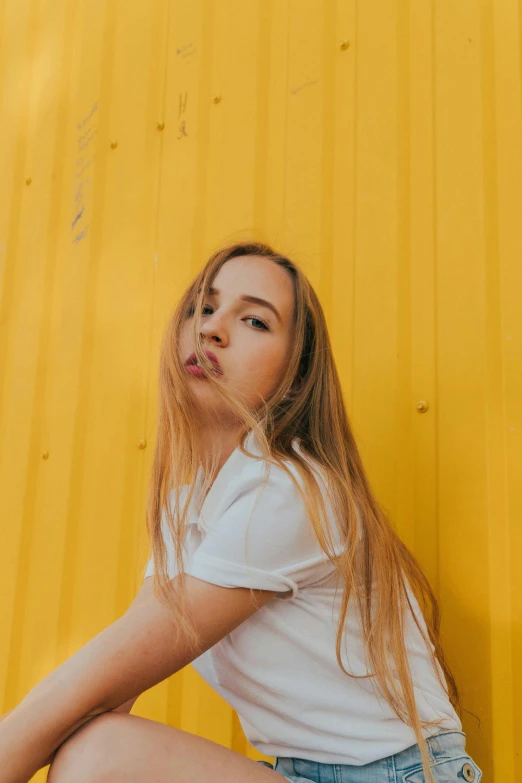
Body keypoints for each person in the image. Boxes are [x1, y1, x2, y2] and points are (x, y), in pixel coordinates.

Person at [0, 241, 482, 783]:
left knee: (100, 755)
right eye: (202, 309)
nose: (212, 329)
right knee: (99, 750)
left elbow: (95, 685)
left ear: (296, 376)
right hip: (299, 773)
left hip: (402, 775)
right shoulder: (188, 505)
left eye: (254, 320)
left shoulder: (293, 490)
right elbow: (112, 684)